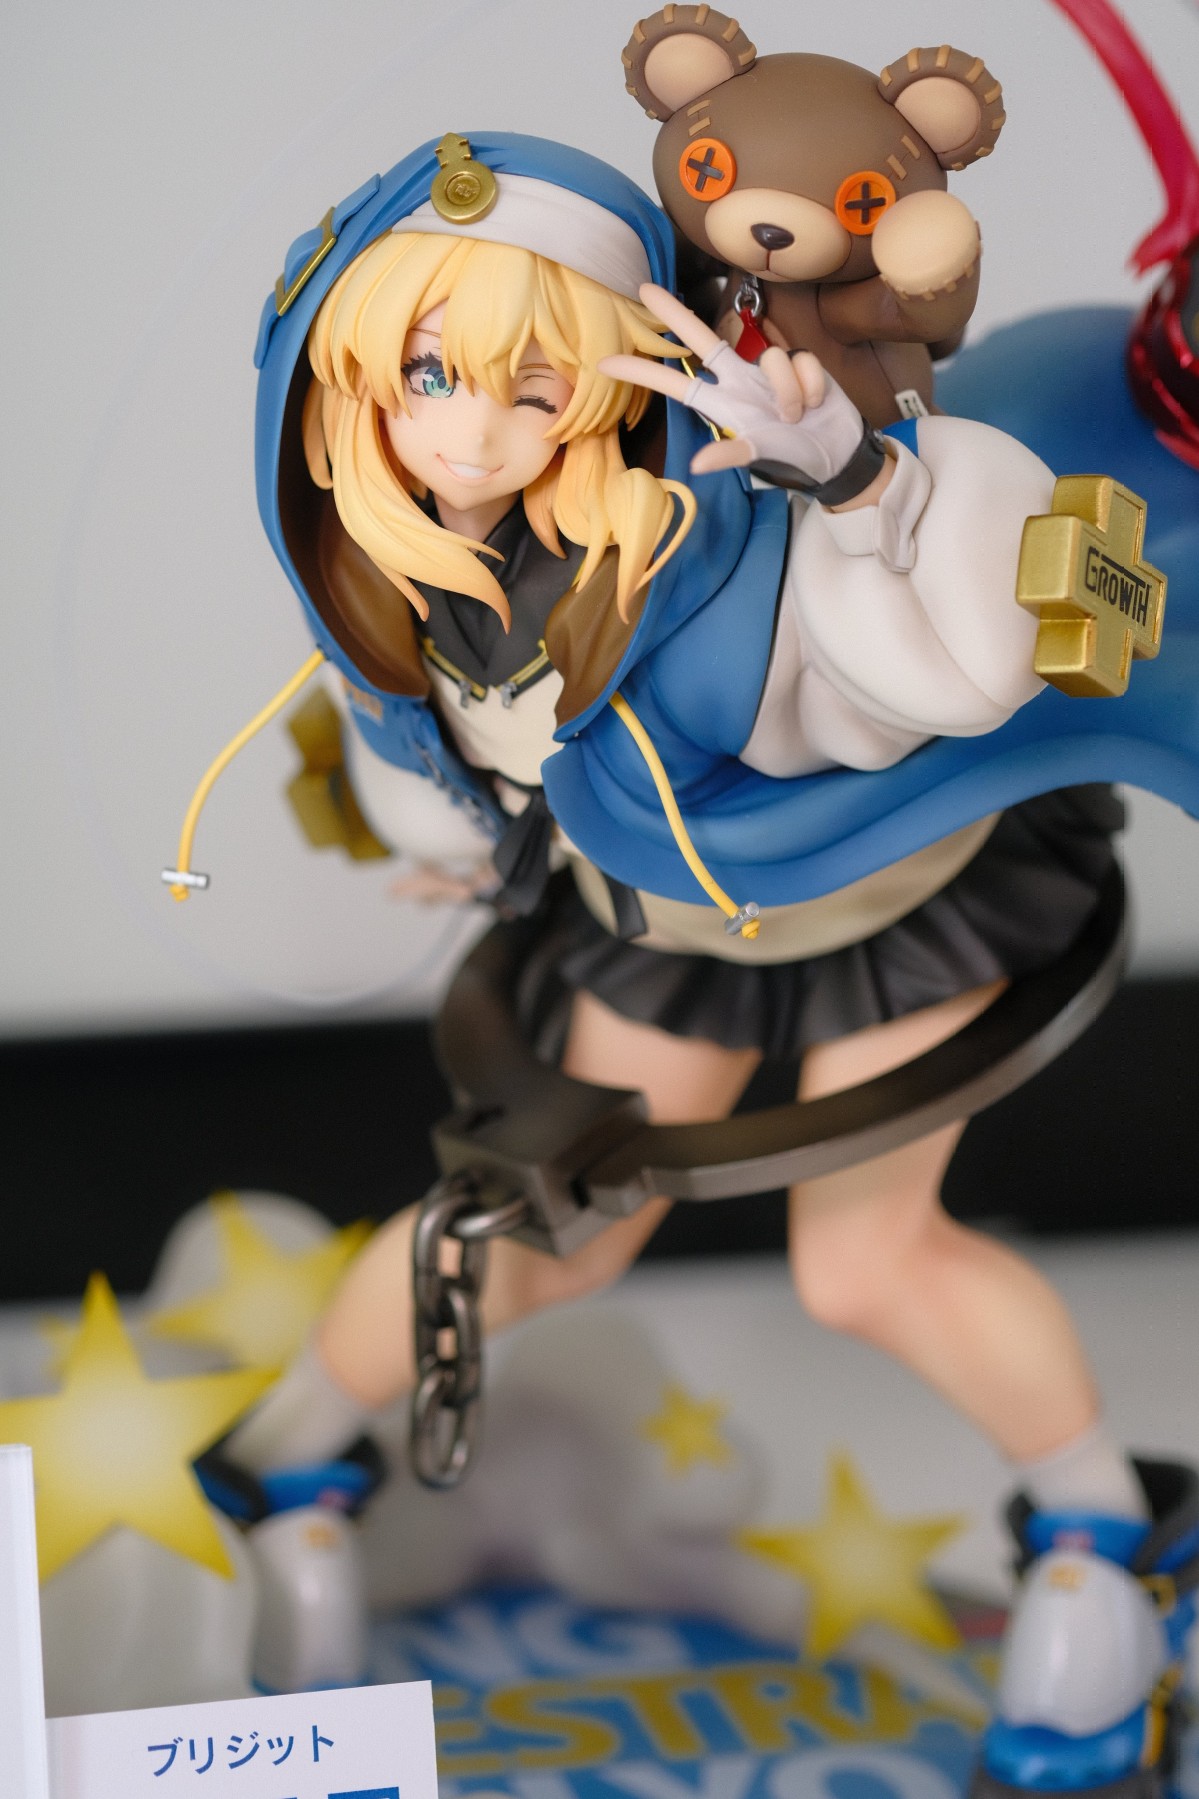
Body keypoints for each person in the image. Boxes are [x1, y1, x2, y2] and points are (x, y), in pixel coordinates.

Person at [190, 131, 1197, 1787]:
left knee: (865, 1261)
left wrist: (850, 485)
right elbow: (440, 754)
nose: (470, 434)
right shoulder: (399, 590)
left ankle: (1104, 1541)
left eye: (534, 389)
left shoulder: (716, 537)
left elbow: (935, 676)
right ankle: (280, 1474)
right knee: (544, 1224)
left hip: (893, 890)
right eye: (426, 377)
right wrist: (470, 836)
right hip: (674, 925)